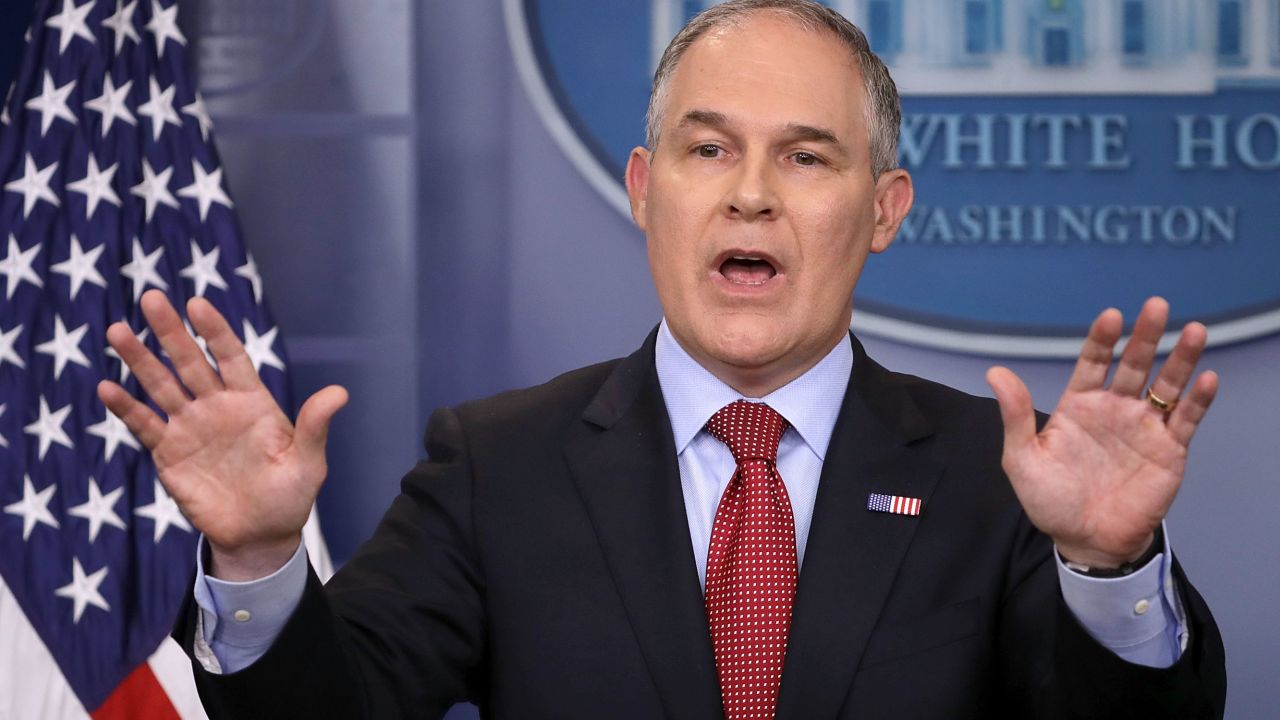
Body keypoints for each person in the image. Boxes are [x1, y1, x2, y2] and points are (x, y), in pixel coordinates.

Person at [99, 1, 1226, 717]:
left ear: (882, 211)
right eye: (707, 148)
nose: (748, 192)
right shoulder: (496, 464)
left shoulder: (1000, 472)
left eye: (804, 156)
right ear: (645, 190)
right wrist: (252, 561)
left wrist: (1108, 567)